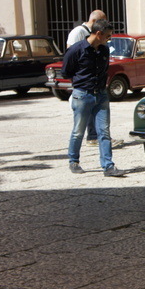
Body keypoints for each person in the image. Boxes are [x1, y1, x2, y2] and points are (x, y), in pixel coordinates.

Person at [61, 19, 125, 177]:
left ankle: (108, 166)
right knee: (78, 131)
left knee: (104, 131)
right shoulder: (77, 50)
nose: (109, 39)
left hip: (101, 95)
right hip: (83, 95)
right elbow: (66, 72)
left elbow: (105, 69)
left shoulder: (104, 50)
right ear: (98, 34)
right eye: (108, 36)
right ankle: (73, 161)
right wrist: (81, 83)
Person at [66, 10, 122, 148]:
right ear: (96, 24)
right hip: (83, 87)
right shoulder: (78, 33)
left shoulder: (103, 47)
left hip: (98, 87)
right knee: (78, 129)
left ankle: (97, 140)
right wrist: (80, 82)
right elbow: (69, 60)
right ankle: (81, 149)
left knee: (102, 124)